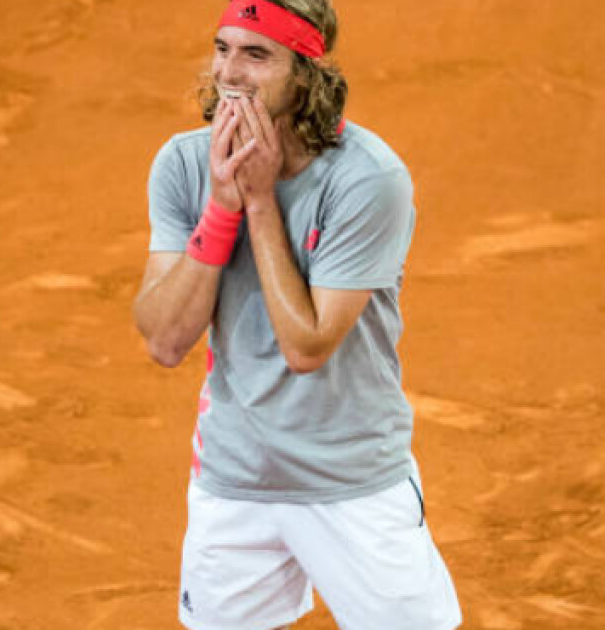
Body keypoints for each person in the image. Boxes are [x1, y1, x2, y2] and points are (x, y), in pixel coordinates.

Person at [131, 1, 462, 628]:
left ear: (306, 74)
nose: (231, 72)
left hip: (352, 480)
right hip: (234, 478)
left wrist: (259, 203)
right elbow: (165, 341)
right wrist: (222, 206)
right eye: (223, 48)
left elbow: (306, 347)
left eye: (257, 55)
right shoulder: (183, 164)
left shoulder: (368, 178)